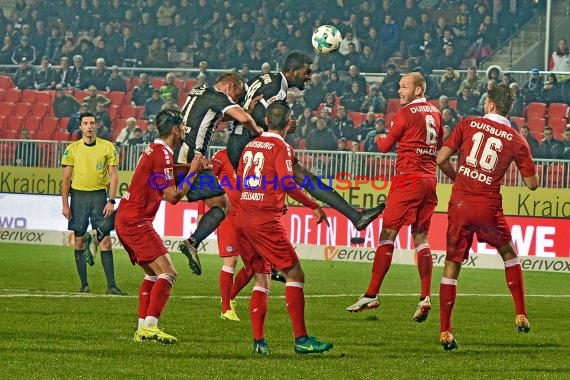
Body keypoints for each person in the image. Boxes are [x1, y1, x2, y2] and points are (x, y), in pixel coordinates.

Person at [226, 51, 385, 232]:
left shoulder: (267, 78)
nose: (309, 77)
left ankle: (355, 216)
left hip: (242, 142)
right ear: (293, 72)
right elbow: (258, 116)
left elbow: (245, 104)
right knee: (298, 180)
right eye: (306, 72)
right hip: (247, 143)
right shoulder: (277, 89)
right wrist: (284, 125)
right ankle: (354, 216)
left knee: (302, 176)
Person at [435, 84, 538, 350]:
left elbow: (441, 159)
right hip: (488, 206)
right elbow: (532, 184)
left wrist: (459, 179)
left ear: (490, 104)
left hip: (460, 203)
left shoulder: (468, 123)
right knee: (508, 253)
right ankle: (520, 314)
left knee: (452, 265)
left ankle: (445, 332)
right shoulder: (517, 140)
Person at [236, 101, 333, 355]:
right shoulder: (282, 147)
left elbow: (240, 181)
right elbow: (288, 183)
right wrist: (313, 205)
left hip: (243, 218)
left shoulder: (250, 146)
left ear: (266, 121)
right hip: (264, 221)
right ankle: (301, 339)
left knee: (261, 277)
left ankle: (259, 342)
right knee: (295, 274)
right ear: (289, 124)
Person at [345, 73, 443, 324]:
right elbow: (439, 144)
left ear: (419, 90)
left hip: (408, 179)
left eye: (404, 87)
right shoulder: (436, 113)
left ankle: (371, 294)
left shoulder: (405, 114)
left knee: (387, 234)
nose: (399, 91)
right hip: (430, 181)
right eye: (399, 86)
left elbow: (384, 146)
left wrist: (376, 137)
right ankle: (424, 297)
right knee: (420, 236)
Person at [116, 109, 206, 344]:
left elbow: (165, 172)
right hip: (136, 222)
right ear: (175, 129)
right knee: (169, 273)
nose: (185, 130)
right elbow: (174, 196)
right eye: (183, 126)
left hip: (128, 219)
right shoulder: (162, 154)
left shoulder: (156, 150)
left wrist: (192, 168)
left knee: (153, 275)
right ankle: (151, 326)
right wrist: (194, 173)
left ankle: (142, 330)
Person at [61, 112, 125, 295]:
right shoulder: (72, 149)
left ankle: (111, 286)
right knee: (79, 242)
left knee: (105, 242)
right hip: (79, 198)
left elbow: (114, 175)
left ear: (96, 126)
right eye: (85, 123)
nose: (89, 126)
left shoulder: (108, 147)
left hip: (99, 198)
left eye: (92, 123)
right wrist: (65, 205)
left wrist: (111, 200)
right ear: (80, 127)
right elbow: (66, 179)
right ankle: (84, 285)